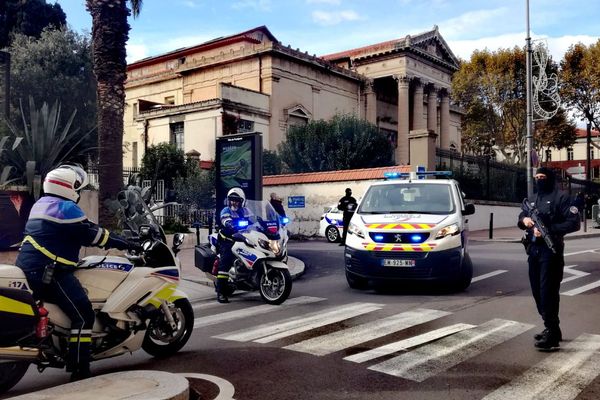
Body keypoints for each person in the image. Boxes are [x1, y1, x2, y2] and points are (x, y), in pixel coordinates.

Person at [15, 165, 140, 381]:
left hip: (29, 269)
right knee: (83, 315)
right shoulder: (65, 208)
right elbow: (92, 234)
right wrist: (127, 242)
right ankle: (79, 367)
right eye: (78, 189)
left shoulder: (41, 205)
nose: (80, 193)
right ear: (68, 188)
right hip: (52, 272)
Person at [517, 167, 580, 350]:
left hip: (551, 252)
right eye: (536, 177)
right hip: (534, 250)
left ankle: (551, 332)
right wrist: (526, 222)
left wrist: (550, 229)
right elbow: (522, 215)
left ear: (550, 178)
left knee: (548, 292)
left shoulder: (562, 198)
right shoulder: (533, 198)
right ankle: (552, 327)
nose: (539, 180)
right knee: (537, 291)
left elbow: (573, 223)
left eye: (542, 177)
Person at [217, 187, 252, 303]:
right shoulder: (226, 210)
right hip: (227, 238)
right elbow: (225, 220)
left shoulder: (246, 211)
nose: (234, 202)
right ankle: (221, 292)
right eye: (232, 200)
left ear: (242, 201)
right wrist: (230, 224)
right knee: (226, 259)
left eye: (236, 200)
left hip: (242, 238)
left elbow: (255, 220)